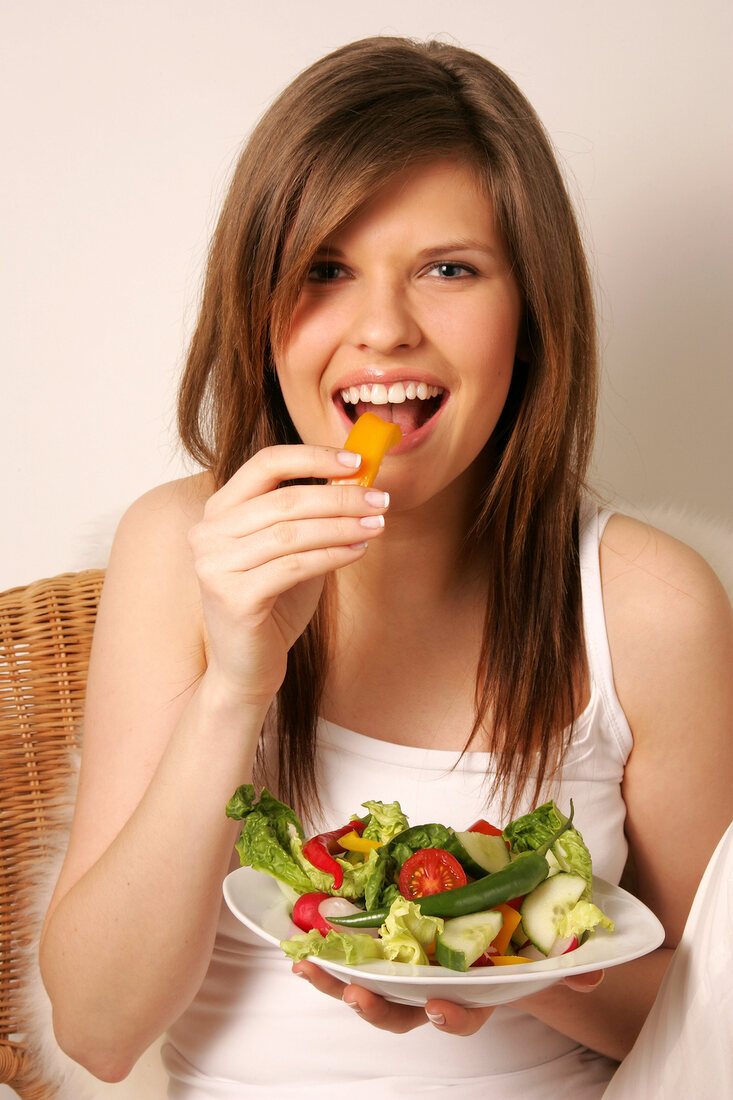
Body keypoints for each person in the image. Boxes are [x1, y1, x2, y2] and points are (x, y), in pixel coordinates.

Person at [39, 36, 733, 1100]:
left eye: (448, 269)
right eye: (324, 269)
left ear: (531, 313)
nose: (381, 331)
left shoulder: (652, 604)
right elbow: (94, 1028)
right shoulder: (178, 548)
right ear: (258, 307)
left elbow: (706, 1017)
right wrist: (236, 679)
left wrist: (501, 958)